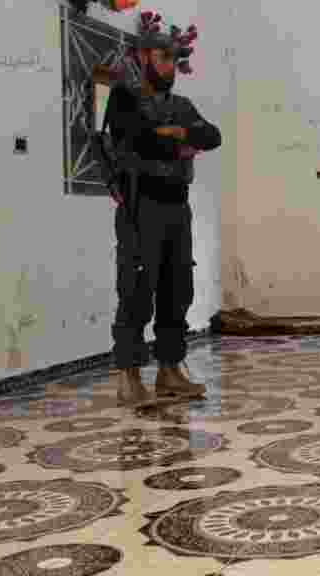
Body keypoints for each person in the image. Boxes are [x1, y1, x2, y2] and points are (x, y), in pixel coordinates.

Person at [108, 30, 222, 406]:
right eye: (162, 57)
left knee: (178, 289)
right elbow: (139, 140)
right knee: (138, 289)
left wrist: (174, 132)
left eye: (174, 59)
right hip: (142, 204)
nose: (170, 66)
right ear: (143, 57)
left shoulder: (183, 103)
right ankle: (128, 376)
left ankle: (170, 371)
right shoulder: (125, 98)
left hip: (178, 206)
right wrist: (181, 142)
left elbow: (212, 136)